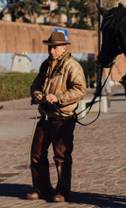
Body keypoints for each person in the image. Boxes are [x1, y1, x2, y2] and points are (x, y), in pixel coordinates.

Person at [26, 32, 87, 202]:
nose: (51, 51)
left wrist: (58, 97)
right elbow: (36, 85)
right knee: (36, 153)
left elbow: (80, 89)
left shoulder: (72, 65)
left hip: (63, 117)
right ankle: (41, 188)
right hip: (45, 116)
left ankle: (63, 191)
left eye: (55, 47)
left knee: (61, 156)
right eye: (50, 47)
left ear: (64, 48)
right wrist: (37, 94)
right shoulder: (45, 64)